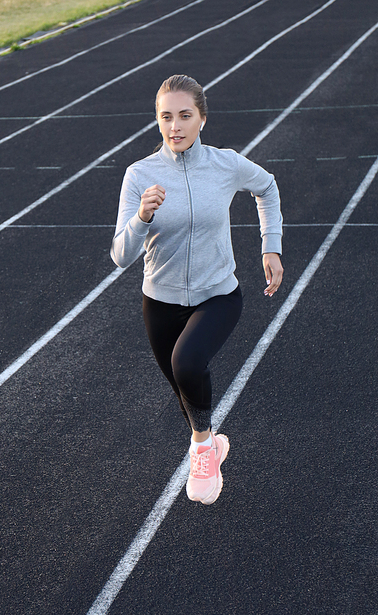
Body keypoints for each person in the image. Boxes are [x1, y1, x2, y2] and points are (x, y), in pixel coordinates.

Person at [110, 74, 283, 505]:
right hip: (160, 303)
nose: (175, 126)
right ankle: (210, 441)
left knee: (188, 363)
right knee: (184, 391)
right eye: (166, 117)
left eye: (185, 115)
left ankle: (203, 449)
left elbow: (267, 186)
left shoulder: (225, 164)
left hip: (218, 295)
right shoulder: (139, 176)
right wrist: (142, 217)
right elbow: (120, 255)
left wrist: (271, 247)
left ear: (202, 118)